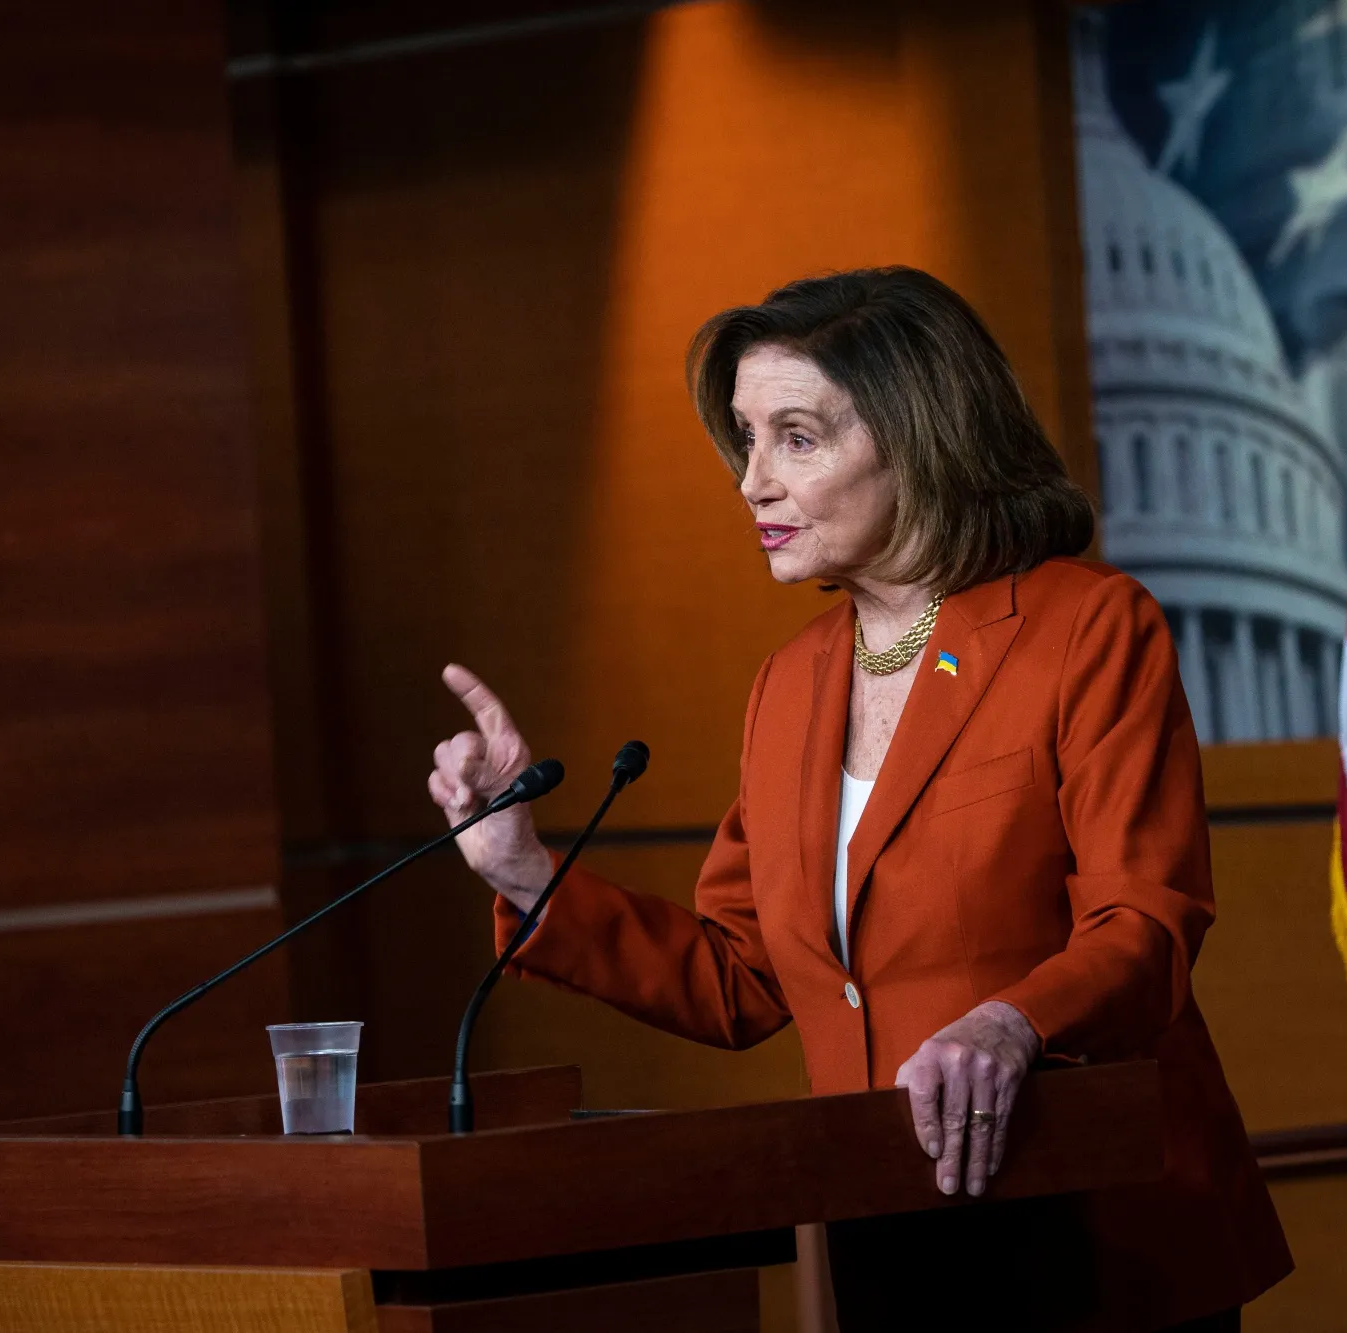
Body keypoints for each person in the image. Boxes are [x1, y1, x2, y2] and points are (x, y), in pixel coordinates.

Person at [426, 269, 1290, 1331]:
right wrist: (520, 865)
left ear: (920, 438)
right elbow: (739, 979)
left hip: (1094, 1227)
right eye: (744, 439)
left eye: (795, 437)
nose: (751, 482)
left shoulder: (1086, 628)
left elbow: (1143, 922)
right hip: (887, 1234)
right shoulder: (788, 685)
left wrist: (1009, 1024)